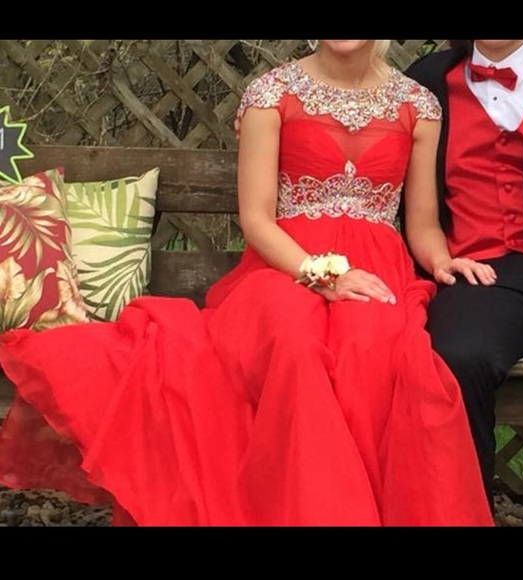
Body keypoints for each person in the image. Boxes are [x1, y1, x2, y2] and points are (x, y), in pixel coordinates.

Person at [0, 40, 494, 526]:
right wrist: (322, 274)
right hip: (284, 269)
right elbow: (256, 218)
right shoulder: (271, 93)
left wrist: (443, 262)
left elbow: (422, 224)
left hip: (375, 272)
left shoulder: (418, 105)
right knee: (294, 344)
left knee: (370, 350)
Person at [405, 39, 523, 510]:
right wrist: (272, 117)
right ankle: (467, 512)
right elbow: (361, 115)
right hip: (482, 273)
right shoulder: (426, 81)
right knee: (455, 357)